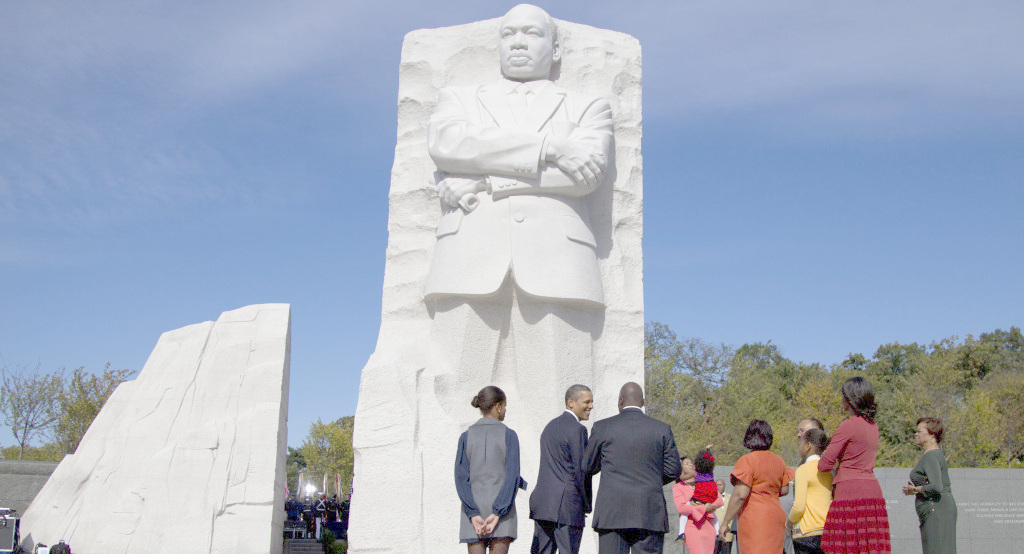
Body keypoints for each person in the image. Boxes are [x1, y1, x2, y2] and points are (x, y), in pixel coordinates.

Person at [424, 3, 616, 413]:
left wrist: (490, 178)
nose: (518, 42)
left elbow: (586, 176)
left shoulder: (587, 105)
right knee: (452, 393)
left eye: (531, 33)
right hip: (468, 254)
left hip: (558, 259)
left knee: (558, 398)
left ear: (556, 48)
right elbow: (449, 147)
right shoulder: (459, 99)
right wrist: (549, 147)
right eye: (508, 34)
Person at [584, 382, 682, 553]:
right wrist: (652, 479)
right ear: (642, 402)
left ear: (620, 400)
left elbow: (587, 466)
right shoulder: (662, 429)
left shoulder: (602, 427)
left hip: (612, 512)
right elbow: (674, 470)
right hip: (649, 511)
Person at [817, 377, 891, 553]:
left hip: (850, 493)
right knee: (869, 547)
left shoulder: (847, 426)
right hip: (872, 492)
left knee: (846, 548)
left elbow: (824, 464)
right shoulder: (873, 426)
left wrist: (837, 462)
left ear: (850, 399)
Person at [455, 386, 527, 553]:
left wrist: (473, 512)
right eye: (505, 406)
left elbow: (460, 478)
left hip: (473, 510)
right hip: (503, 512)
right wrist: (498, 512)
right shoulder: (509, 435)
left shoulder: (466, 436)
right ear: (498, 406)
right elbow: (512, 476)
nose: (505, 411)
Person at [530, 384, 595, 554]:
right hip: (567, 507)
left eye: (592, 402)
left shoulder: (550, 426)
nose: (591, 406)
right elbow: (582, 471)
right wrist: (587, 504)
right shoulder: (578, 430)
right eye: (587, 402)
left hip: (543, 505)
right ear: (571, 402)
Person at [718, 420, 795, 554]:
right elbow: (784, 490)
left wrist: (725, 522)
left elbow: (740, 495)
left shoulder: (747, 460)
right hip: (776, 516)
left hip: (755, 518)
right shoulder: (779, 461)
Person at [902, 417, 957, 554]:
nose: (916, 434)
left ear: (932, 435)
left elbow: (936, 487)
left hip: (936, 510)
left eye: (920, 431)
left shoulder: (931, 456)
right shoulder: (934, 455)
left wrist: (915, 489)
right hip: (938, 509)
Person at [787, 428, 833, 554]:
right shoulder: (829, 472)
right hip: (827, 532)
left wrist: (788, 523)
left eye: (801, 443)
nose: (799, 446)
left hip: (806, 533)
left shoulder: (803, 470)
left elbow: (799, 507)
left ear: (808, 446)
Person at [674, 450, 723, 554]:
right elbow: (682, 508)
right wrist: (704, 508)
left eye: (691, 462)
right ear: (680, 468)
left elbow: (719, 500)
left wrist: (709, 505)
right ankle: (681, 533)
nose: (690, 464)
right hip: (691, 526)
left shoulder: (705, 482)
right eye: (686, 463)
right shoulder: (678, 487)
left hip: (709, 526)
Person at [713, 479, 733, 554]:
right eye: (716, 485)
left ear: (725, 486)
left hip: (727, 533)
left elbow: (734, 514)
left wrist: (728, 526)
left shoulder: (731, 498)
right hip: (714, 534)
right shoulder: (711, 498)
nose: (718, 487)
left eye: (720, 485)